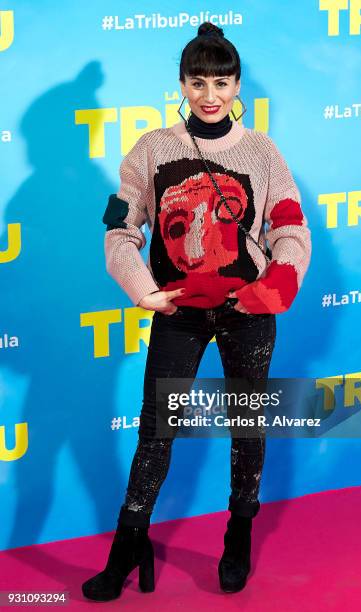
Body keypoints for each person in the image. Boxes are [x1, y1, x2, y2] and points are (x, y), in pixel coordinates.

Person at [82, 21, 311, 601]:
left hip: (249, 311)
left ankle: (239, 531)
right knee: (157, 430)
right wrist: (142, 288)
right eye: (198, 81)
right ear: (181, 84)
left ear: (238, 86)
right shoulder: (152, 148)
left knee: (247, 424)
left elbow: (288, 225)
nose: (210, 95)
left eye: (222, 82)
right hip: (179, 311)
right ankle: (128, 543)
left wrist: (275, 289)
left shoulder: (261, 151)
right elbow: (119, 225)